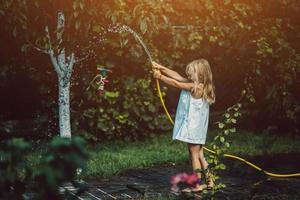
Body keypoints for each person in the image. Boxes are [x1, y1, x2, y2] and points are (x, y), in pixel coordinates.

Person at [152, 59, 215, 192]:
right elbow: (177, 76)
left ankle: (197, 185)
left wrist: (160, 77)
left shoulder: (196, 87)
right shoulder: (199, 84)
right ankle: (210, 181)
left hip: (193, 128)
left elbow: (176, 82)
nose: (188, 76)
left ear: (200, 75)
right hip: (198, 128)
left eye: (192, 74)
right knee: (200, 155)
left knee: (193, 155)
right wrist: (161, 67)